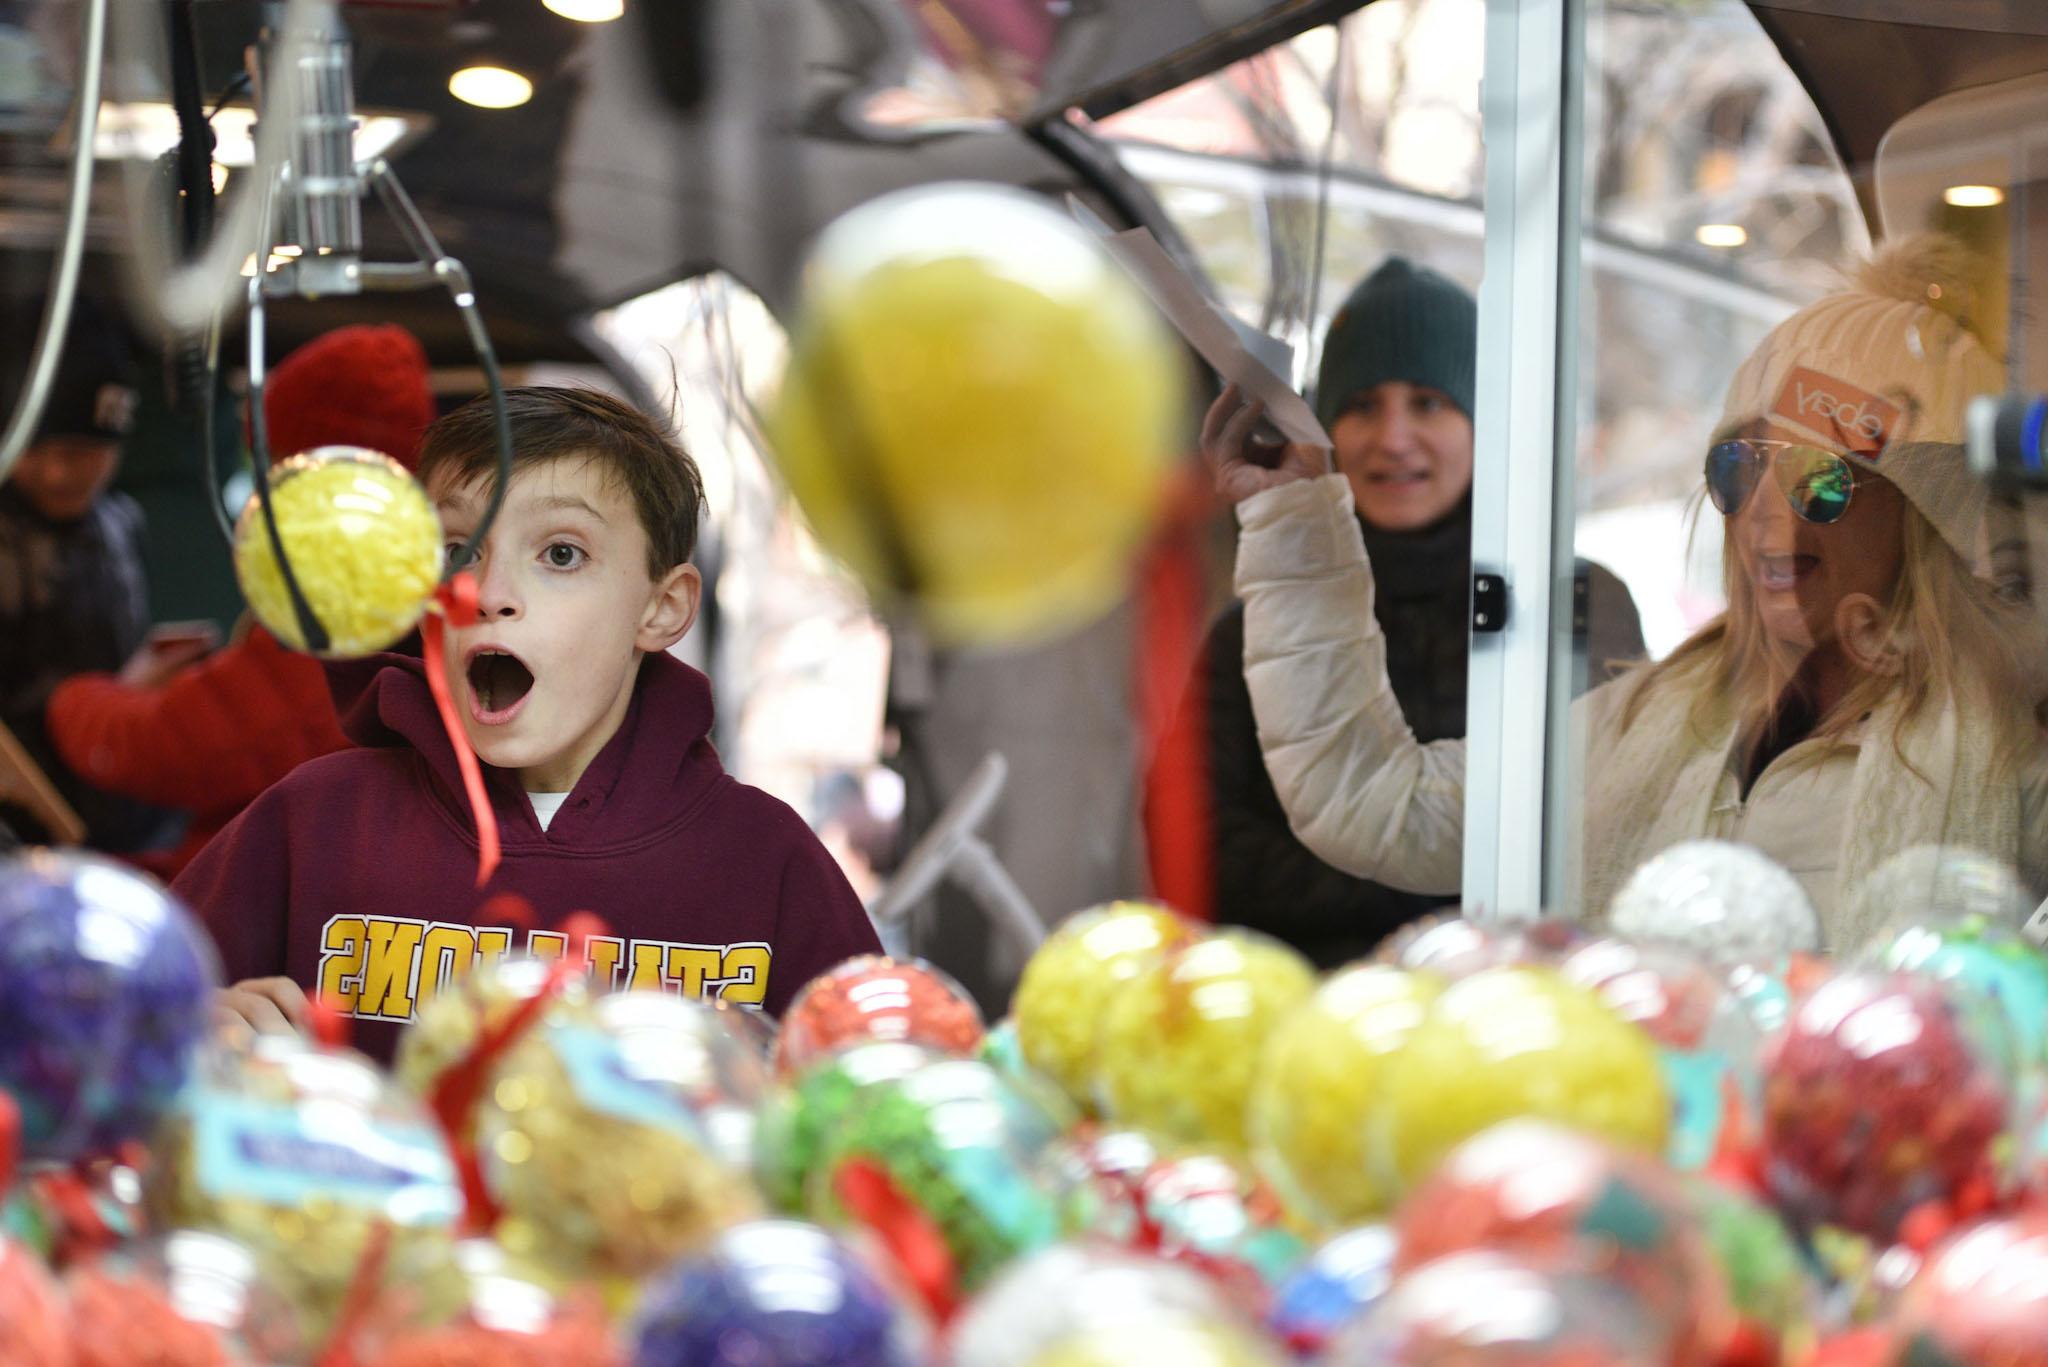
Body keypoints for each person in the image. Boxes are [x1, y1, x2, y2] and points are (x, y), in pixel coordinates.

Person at [1207, 234, 2048, 946]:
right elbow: (1375, 803)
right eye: (1738, 468)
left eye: (1822, 482)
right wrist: (1293, 515)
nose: (1766, 518)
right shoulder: (1644, 718)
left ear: (1924, 519)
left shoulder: (2014, 754)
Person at [175, 386, 882, 1057]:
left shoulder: (765, 858)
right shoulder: (312, 822)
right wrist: (195, 1031)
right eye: (458, 552)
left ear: (661, 608)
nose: (489, 593)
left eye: (561, 554)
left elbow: (882, 1109)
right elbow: (115, 1027)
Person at [1169, 259, 1643, 967]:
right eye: (1362, 405)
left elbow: (1610, 816)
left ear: (1483, 423)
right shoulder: (1254, 627)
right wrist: (1435, 902)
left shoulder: (1572, 601)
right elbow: (1200, 849)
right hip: (1303, 1006)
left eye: (1428, 402)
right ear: (1322, 426)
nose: (1392, 437)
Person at [44, 325, 436, 878]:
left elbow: (176, 749)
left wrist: (74, 698)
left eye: (276, 465)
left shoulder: (343, 599)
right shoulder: (430, 575)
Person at [0, 298, 188, 855]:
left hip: (123, 814)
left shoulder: (121, 524)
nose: (60, 472)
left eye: (85, 452)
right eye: (40, 449)